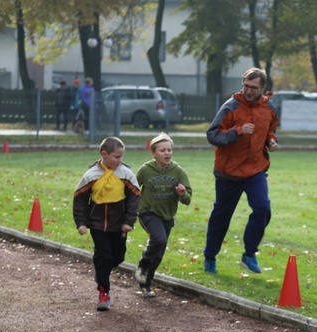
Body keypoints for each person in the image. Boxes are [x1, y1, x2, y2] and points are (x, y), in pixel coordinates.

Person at [203, 67, 280, 274]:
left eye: (253, 87)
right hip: (229, 172)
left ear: (263, 88)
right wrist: (237, 131)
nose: (248, 90)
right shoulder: (231, 106)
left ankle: (249, 254)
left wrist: (271, 141)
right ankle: (210, 257)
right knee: (221, 217)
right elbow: (212, 135)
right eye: (245, 86)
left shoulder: (269, 108)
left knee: (263, 209)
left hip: (255, 169)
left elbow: (270, 129)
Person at [73, 137, 141, 311]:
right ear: (104, 154)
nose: (120, 161)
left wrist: (129, 221)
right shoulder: (91, 175)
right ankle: (104, 292)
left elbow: (134, 198)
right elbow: (80, 199)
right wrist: (81, 222)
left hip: (119, 225)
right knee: (104, 256)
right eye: (116, 157)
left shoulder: (125, 174)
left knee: (118, 257)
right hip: (97, 225)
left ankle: (100, 270)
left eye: (121, 157)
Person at [134, 133, 193, 297]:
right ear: (153, 153)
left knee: (159, 253)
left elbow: (187, 199)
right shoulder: (145, 170)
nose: (167, 153)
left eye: (169, 150)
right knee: (159, 239)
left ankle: (145, 284)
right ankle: (143, 263)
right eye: (162, 150)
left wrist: (182, 194)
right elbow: (132, 188)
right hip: (148, 213)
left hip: (167, 216)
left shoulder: (178, 171)